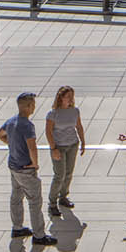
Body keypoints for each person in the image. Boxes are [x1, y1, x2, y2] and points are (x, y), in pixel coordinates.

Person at [0, 92, 56, 245]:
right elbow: (32, 147)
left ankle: (17, 227)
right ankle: (39, 235)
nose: (34, 107)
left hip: (13, 166)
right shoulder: (27, 125)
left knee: (16, 197)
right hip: (25, 169)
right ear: (28, 106)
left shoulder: (11, 121)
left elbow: (0, 134)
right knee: (34, 201)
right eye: (33, 104)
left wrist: (11, 144)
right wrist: (35, 164)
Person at [46, 85, 86, 217]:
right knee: (59, 175)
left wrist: (82, 141)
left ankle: (63, 197)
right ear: (61, 97)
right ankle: (52, 203)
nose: (70, 99)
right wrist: (53, 148)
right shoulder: (53, 114)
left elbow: (79, 126)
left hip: (72, 144)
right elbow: (48, 132)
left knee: (68, 173)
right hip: (59, 146)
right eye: (67, 96)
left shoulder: (75, 111)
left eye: (71, 96)